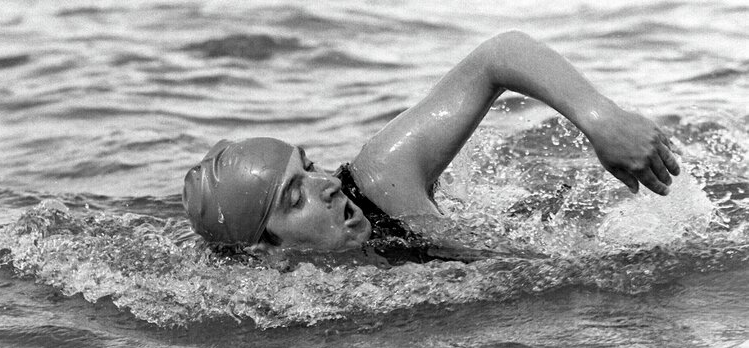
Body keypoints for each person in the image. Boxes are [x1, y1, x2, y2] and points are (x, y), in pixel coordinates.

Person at [182, 31, 680, 255]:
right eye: (296, 196)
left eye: (309, 166)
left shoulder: (379, 182)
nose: (327, 184)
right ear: (267, 252)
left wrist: (601, 119)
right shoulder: (280, 307)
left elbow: (498, 56)